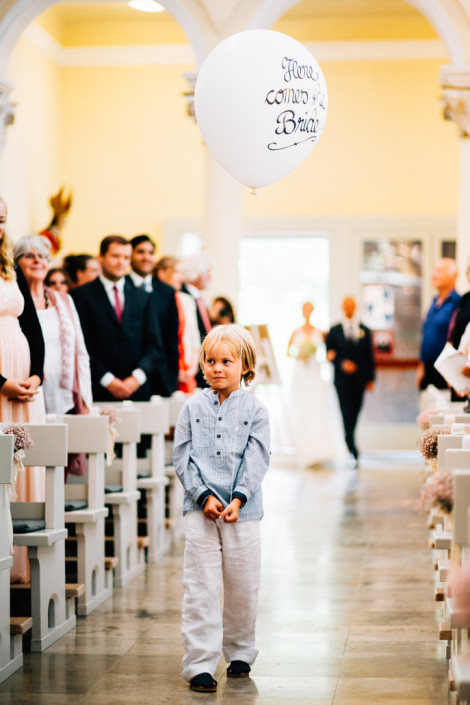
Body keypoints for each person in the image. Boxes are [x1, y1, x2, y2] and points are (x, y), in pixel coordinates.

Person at [172, 325, 270, 693]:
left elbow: (257, 457)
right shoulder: (192, 406)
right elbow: (182, 456)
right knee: (200, 585)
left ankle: (241, 652)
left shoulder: (256, 409)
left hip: (243, 511)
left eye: (226, 361)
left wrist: (239, 497)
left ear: (245, 365)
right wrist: (202, 496)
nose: (217, 368)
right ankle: (199, 663)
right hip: (201, 510)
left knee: (243, 583)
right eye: (210, 361)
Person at [0, 198, 46, 584]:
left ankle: (22, 569)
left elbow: (31, 325)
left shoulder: (8, 266)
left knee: (25, 462)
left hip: (24, 382)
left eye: (2, 221)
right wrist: (1, 383)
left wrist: (37, 375)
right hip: (1, 383)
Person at [70, 235, 162, 402]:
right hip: (98, 390)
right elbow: (80, 344)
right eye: (115, 256)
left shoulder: (143, 296)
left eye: (126, 257)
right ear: (101, 258)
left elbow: (154, 345)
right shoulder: (80, 296)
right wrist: (107, 380)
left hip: (137, 391)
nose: (121, 262)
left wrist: (137, 378)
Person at [14, 235, 92, 417]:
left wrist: (85, 401)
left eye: (42, 256)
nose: (37, 260)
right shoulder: (13, 302)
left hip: (66, 399)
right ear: (15, 263)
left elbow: (80, 353)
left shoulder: (64, 300)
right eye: (28, 255)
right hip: (28, 393)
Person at [286, 302, 345, 467]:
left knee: (316, 406)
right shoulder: (295, 332)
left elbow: (328, 352)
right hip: (300, 372)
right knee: (301, 407)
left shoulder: (320, 332)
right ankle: (299, 447)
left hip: (313, 371)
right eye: (305, 310)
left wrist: (328, 355)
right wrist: (300, 355)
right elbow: (288, 352)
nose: (307, 313)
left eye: (310, 310)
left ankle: (317, 447)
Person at [326, 296, 375, 466]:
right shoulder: (334, 331)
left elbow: (369, 356)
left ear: (354, 307)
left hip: (360, 380)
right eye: (345, 305)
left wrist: (370, 378)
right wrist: (341, 363)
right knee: (345, 412)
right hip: (342, 381)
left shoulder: (365, 330)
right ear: (342, 307)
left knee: (355, 412)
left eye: (351, 305)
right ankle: (351, 445)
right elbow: (330, 355)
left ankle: (350, 439)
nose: (348, 308)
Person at [127, 234, 179, 396]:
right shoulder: (122, 287)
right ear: (131, 255)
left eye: (150, 253)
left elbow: (171, 336)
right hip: (131, 372)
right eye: (140, 252)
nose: (146, 257)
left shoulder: (166, 291)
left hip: (162, 375)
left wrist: (172, 375)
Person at [155, 256, 200, 394]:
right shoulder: (154, 300)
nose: (180, 278)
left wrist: (192, 367)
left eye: (181, 273)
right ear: (161, 273)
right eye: (176, 272)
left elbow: (194, 337)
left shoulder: (187, 299)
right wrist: (175, 370)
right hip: (166, 370)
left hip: (188, 370)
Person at [417, 258, 460, 392]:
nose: (434, 275)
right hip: (428, 369)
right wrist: (421, 366)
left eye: (439, 271)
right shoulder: (434, 301)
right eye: (434, 270)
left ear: (453, 276)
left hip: (445, 372)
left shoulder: (457, 303)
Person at [181, 252, 214, 387]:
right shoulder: (183, 296)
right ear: (199, 274)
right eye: (209, 272)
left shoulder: (201, 298)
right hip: (191, 367)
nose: (211, 277)